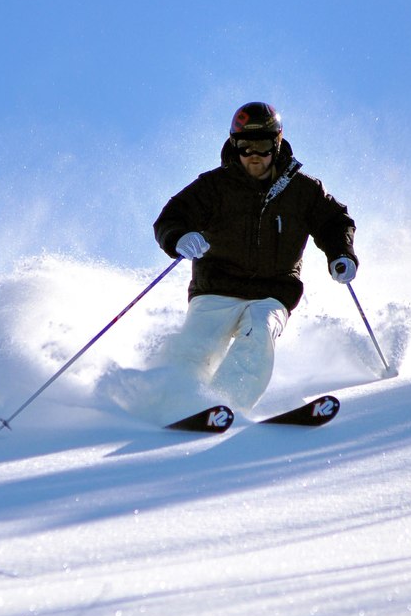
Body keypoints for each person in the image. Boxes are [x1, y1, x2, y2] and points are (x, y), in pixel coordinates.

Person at [153, 102, 358, 412]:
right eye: (244, 146)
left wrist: (340, 254)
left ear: (276, 144)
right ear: (234, 145)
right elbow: (171, 217)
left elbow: (335, 222)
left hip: (271, 292)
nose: (253, 155)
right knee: (196, 348)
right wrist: (179, 237)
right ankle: (174, 407)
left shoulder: (303, 190)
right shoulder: (214, 186)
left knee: (259, 332)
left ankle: (226, 404)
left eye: (261, 146)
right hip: (216, 287)